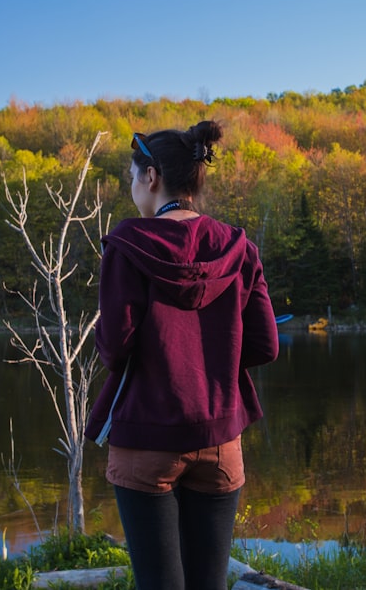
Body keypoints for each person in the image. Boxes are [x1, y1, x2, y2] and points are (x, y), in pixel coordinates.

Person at [84, 120, 279, 590]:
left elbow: (114, 347)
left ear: (151, 178)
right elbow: (265, 345)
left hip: (146, 438)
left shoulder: (128, 245)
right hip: (219, 440)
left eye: (133, 177)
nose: (133, 187)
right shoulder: (238, 247)